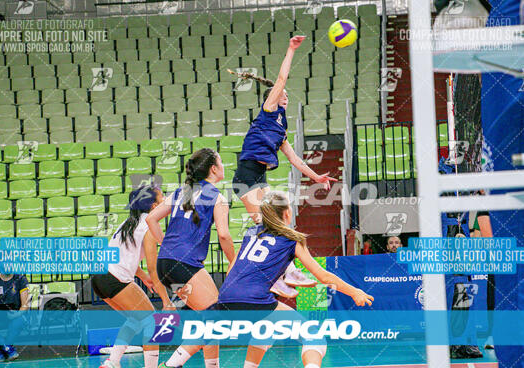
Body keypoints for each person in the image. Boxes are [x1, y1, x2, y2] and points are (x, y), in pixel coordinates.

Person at [159, 191, 373, 368]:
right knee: (313, 335)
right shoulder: (292, 239)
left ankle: (171, 364)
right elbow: (323, 275)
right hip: (254, 300)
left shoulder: (251, 233)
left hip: (227, 294)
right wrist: (354, 291)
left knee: (218, 327)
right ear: (287, 213)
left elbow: (236, 266)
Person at [228, 35, 337, 298]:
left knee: (279, 222)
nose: (285, 96)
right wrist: (290, 49)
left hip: (260, 178)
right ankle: (277, 275)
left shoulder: (281, 127)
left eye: (287, 96)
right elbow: (281, 80)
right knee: (262, 222)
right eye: (282, 95)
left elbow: (295, 160)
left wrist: (317, 178)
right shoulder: (267, 110)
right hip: (246, 176)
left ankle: (285, 271)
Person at [146, 148, 235, 368]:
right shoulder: (217, 197)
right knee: (215, 319)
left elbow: (151, 219)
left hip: (165, 263)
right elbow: (223, 235)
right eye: (221, 162)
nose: (224, 165)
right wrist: (233, 262)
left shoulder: (180, 192)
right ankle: (172, 364)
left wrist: (165, 243)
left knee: (209, 319)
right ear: (213, 169)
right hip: (184, 264)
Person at [91, 186, 174, 368]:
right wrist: (166, 301)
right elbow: (153, 269)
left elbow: (127, 258)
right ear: (154, 206)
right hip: (115, 279)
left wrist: (143, 278)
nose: (166, 200)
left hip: (98, 278)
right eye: (162, 198)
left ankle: (112, 362)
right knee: (151, 323)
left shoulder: (128, 223)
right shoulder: (149, 226)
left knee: (135, 320)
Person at [0, 273, 29, 362]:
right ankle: (7, 349)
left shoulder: (21, 279)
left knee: (19, 320)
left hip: (15, 316)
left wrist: (17, 314)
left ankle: (1, 351)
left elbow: (25, 305)